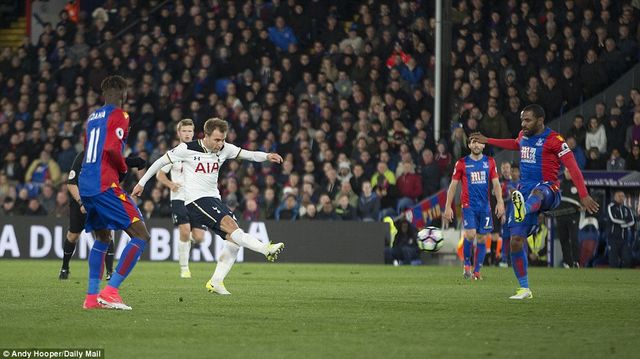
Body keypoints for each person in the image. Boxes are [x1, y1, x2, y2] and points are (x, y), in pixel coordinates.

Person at [133, 118, 285, 295]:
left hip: (214, 199)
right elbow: (159, 162)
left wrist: (267, 156)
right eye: (217, 140)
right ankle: (265, 249)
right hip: (195, 201)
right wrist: (141, 183)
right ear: (206, 136)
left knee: (233, 241)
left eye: (223, 139)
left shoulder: (225, 148)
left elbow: (248, 154)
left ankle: (216, 281)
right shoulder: (187, 149)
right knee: (232, 227)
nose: (220, 144)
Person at [470, 104, 599, 299]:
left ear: (540, 121)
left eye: (527, 120)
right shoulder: (523, 135)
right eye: (522, 120)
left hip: (549, 190)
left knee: (538, 192)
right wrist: (488, 140)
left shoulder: (554, 140)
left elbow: (573, 167)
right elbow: (515, 143)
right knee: (515, 242)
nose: (523, 124)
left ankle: (524, 207)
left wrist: (583, 194)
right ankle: (524, 289)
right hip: (524, 190)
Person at [78, 75, 152, 310]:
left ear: (103, 95)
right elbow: (111, 148)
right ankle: (111, 291)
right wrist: (123, 167)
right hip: (104, 184)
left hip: (87, 184)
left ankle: (91, 298)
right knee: (140, 235)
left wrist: (125, 161)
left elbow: (92, 149)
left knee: (102, 238)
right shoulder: (121, 115)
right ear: (124, 94)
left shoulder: (92, 118)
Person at [443, 135, 505, 280]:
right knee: (470, 234)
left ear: (484, 146)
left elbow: (496, 184)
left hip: (485, 207)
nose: (476, 145)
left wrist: (500, 202)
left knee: (483, 238)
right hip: (468, 206)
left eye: (479, 142)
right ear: (469, 145)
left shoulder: (490, 162)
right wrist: (448, 207)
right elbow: (453, 186)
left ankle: (476, 272)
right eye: (473, 142)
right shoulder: (461, 163)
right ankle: (466, 265)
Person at [155, 119, 206, 279]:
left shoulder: (201, 153)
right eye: (184, 131)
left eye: (190, 131)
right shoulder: (174, 153)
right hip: (179, 198)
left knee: (199, 238)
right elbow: (159, 174)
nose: (187, 134)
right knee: (184, 230)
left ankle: (186, 243)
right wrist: (171, 185)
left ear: (193, 133)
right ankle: (184, 268)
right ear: (179, 133)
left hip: (197, 198)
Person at [552, 168, 582, 268]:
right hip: (560, 217)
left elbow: (583, 200)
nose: (569, 173)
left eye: (570, 171)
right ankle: (567, 262)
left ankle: (576, 261)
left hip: (573, 217)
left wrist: (582, 206)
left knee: (574, 239)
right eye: (567, 171)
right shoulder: (559, 185)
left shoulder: (578, 185)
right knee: (563, 240)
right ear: (564, 172)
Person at [606, 191, 635, 268]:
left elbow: (632, 221)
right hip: (613, 239)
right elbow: (613, 219)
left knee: (627, 259)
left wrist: (624, 224)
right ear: (615, 197)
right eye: (619, 196)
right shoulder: (611, 207)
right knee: (613, 261)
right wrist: (625, 222)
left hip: (624, 239)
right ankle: (613, 277)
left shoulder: (627, 209)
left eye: (623, 196)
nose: (621, 198)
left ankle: (624, 277)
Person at [499, 162, 518, 268]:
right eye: (504, 168)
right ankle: (504, 259)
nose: (506, 170)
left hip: (517, 214)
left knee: (516, 237)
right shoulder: (504, 184)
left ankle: (514, 259)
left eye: (508, 168)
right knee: (506, 237)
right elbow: (504, 197)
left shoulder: (519, 183)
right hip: (507, 213)